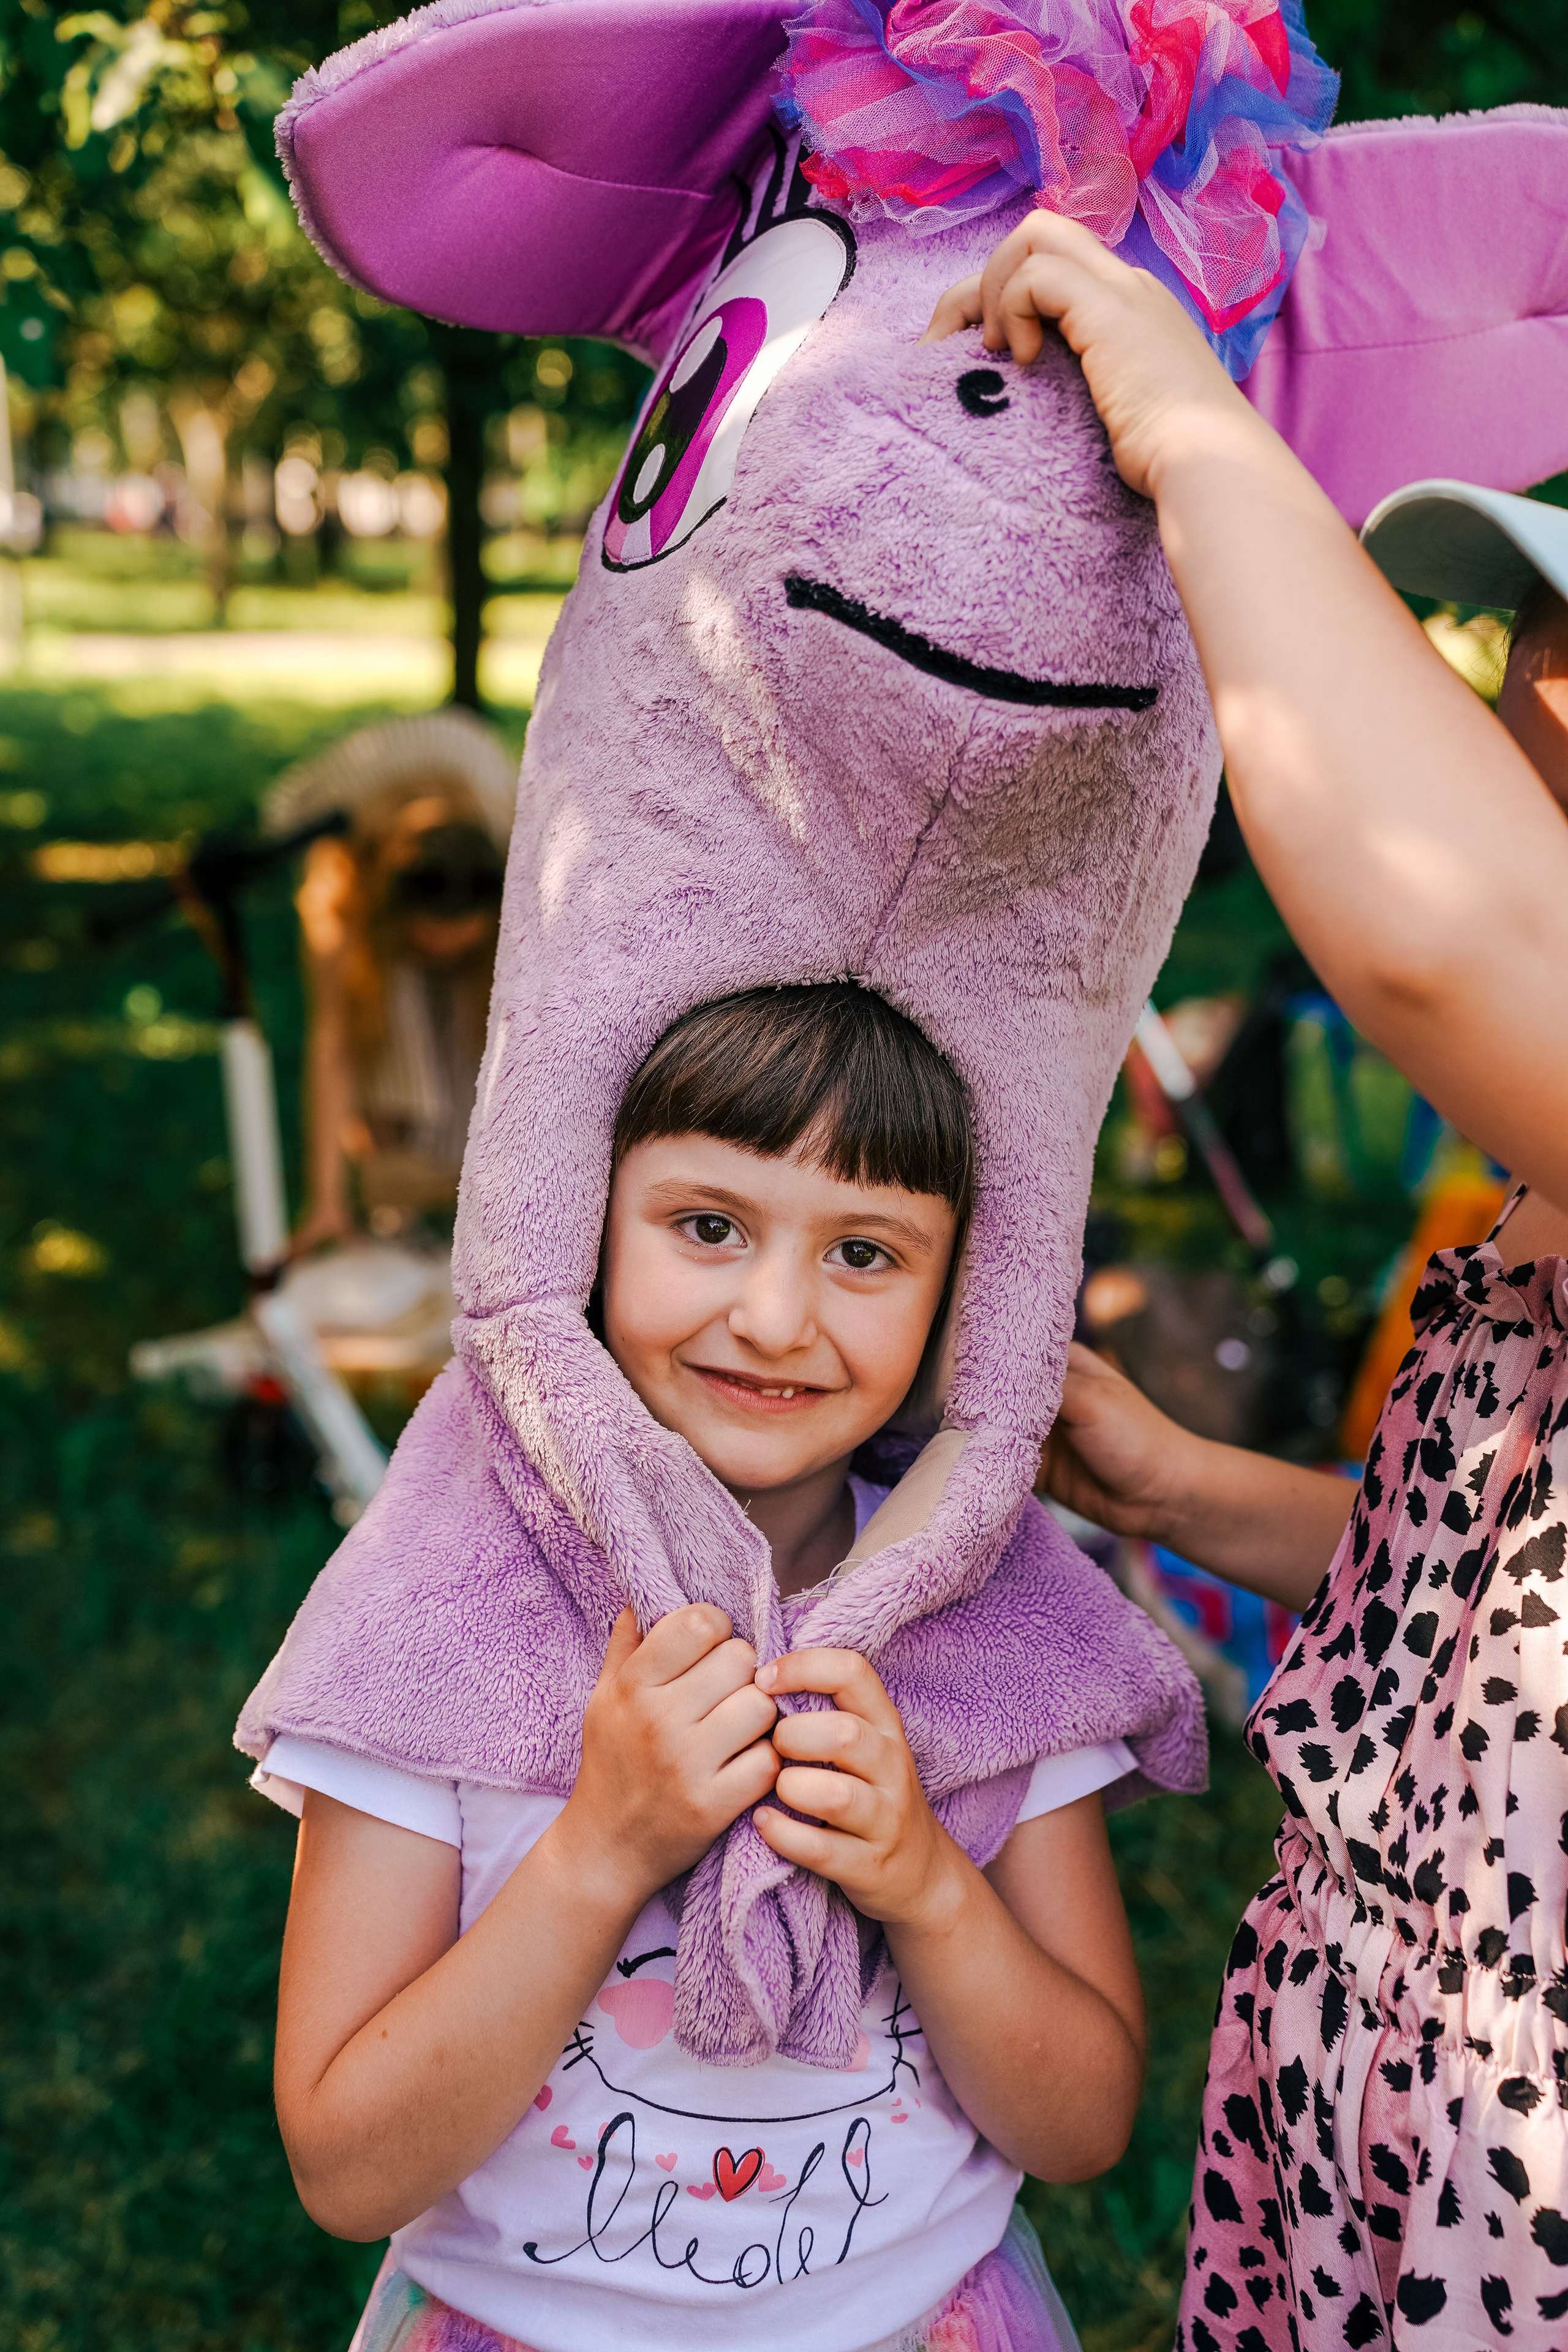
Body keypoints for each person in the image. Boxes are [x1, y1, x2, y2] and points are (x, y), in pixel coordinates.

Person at [928, 210, 1568, 2345]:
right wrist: (1186, 1485)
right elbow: (1468, 1603)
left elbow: (1430, 933)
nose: (1524, 682)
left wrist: (1180, 402)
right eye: (1528, 630)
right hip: (1369, 2159)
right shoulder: (1522, 1196)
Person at [251, 986, 1202, 2352]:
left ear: (966, 1298)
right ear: (581, 1220)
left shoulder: (995, 1626)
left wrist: (927, 1887)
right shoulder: (434, 1621)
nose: (771, 1316)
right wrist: (598, 1851)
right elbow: (347, 2170)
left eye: (865, 1252)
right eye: (707, 1227)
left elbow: (1079, 2126)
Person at [262, 710, 516, 1252]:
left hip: (475, 802)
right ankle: (394, 1207)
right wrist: (326, 1201)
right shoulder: (342, 871)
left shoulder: (518, 834)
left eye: (459, 948)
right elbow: (336, 1039)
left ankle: (469, 1199)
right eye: (426, 948)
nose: (441, 962)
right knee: (383, 1011)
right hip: (359, 841)